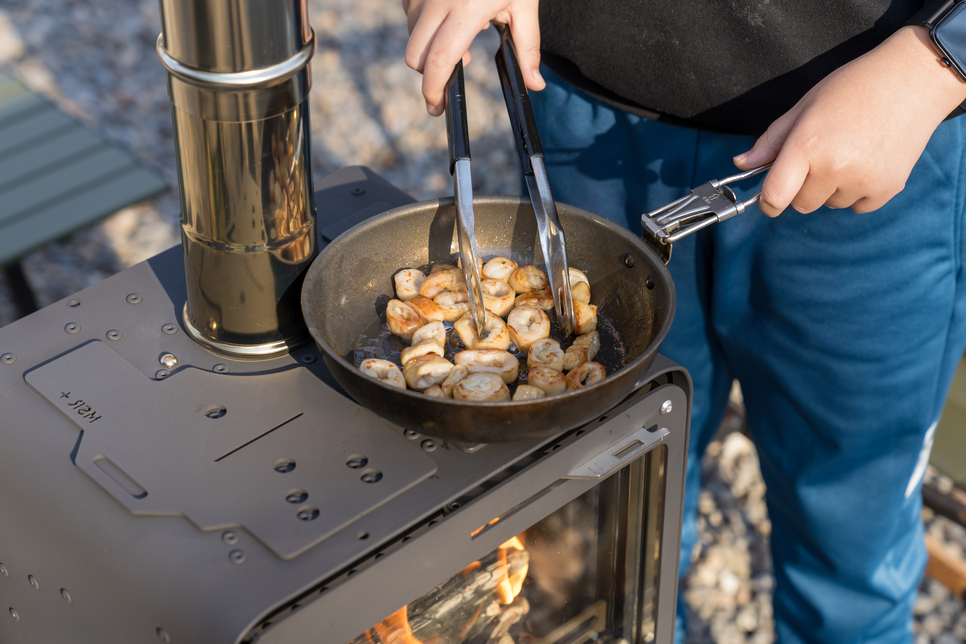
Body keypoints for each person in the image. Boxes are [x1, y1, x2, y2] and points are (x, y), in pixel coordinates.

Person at [401, 1, 966, 642]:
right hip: (592, 117)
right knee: (610, 538)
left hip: (876, 133)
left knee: (850, 549)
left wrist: (940, 59)